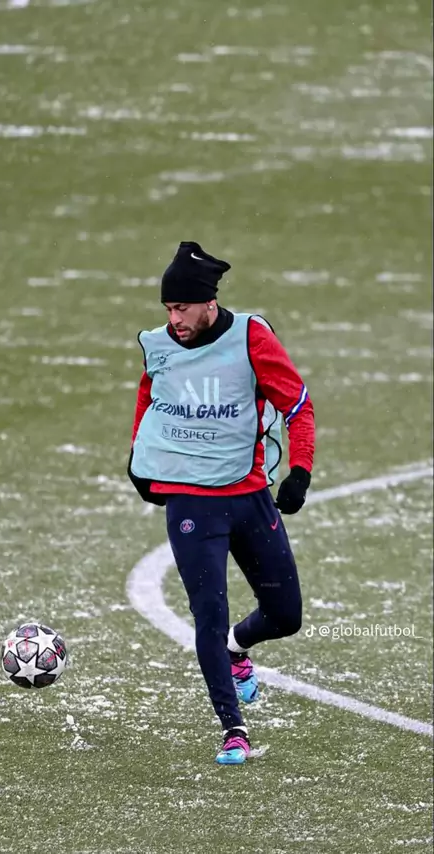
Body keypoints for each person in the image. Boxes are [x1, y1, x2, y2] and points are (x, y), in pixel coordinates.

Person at [128, 241, 315, 765]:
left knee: (286, 615)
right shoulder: (161, 346)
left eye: (182, 308)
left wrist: (300, 470)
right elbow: (149, 399)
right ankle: (234, 728)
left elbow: (297, 405)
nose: (174, 319)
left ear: (209, 303)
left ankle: (238, 649)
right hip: (191, 504)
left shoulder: (251, 338)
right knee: (208, 613)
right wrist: (139, 461)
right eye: (168, 309)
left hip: (249, 497)